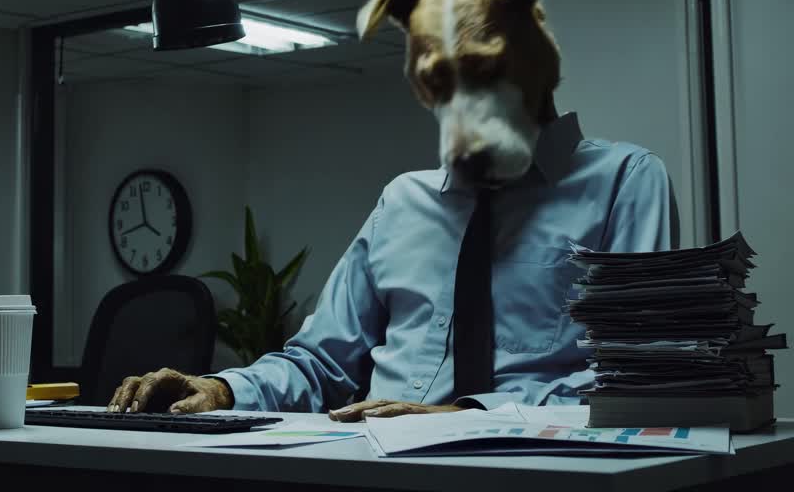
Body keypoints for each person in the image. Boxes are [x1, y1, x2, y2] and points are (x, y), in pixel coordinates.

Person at [106, 111, 678, 420]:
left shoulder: (626, 179)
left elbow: (634, 376)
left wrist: (460, 416)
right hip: (373, 466)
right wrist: (222, 389)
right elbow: (318, 364)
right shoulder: (403, 200)